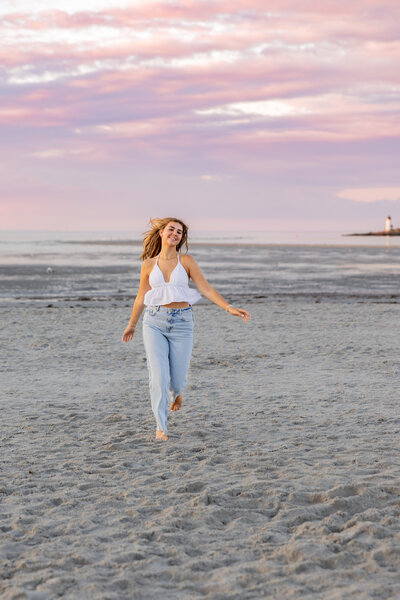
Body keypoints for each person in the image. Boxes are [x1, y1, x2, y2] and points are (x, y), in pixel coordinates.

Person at [122, 217, 250, 441]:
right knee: (158, 378)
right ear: (161, 233)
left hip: (183, 323)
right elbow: (141, 296)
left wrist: (228, 307)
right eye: (171, 229)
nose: (175, 234)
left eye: (179, 232)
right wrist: (131, 324)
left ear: (182, 238)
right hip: (154, 322)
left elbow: (205, 288)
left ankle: (178, 393)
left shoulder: (187, 261)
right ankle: (161, 427)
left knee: (179, 378)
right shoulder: (148, 264)